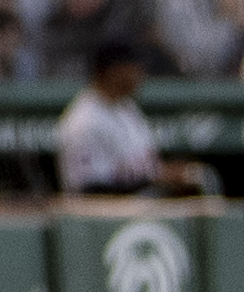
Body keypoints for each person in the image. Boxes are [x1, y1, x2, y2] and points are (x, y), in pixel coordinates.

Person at [56, 41, 168, 194]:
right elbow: (89, 189)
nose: (141, 75)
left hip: (142, 208)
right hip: (100, 214)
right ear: (113, 72)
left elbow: (148, 168)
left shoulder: (127, 107)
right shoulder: (84, 121)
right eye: (134, 69)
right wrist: (153, 181)